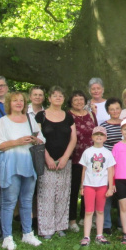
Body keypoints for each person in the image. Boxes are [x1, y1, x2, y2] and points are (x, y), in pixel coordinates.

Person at [0, 90, 42, 250]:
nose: (19, 103)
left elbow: (41, 139)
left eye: (21, 100)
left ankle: (27, 233)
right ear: (9, 103)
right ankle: (7, 237)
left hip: (28, 163)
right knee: (9, 201)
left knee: (27, 200)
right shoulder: (3, 121)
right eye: (15, 100)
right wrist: (17, 142)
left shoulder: (30, 119)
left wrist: (35, 139)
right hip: (11, 165)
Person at [35, 86, 77, 239]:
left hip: (65, 161)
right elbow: (37, 139)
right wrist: (48, 158)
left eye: (61, 96)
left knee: (63, 194)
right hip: (47, 161)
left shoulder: (68, 116)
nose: (58, 98)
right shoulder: (41, 116)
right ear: (49, 98)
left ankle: (60, 227)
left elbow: (73, 139)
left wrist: (65, 157)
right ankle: (46, 228)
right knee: (46, 194)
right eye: (55, 95)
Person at [78, 126, 116, 245]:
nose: (99, 137)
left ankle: (99, 235)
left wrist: (110, 187)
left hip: (102, 186)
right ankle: (86, 236)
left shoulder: (108, 153)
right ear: (92, 137)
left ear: (105, 138)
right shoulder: (87, 152)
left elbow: (111, 171)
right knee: (89, 211)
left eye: (101, 135)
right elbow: (84, 170)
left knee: (100, 211)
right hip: (89, 185)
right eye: (96, 135)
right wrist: (81, 186)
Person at [68, 90, 97, 233]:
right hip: (75, 157)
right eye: (75, 99)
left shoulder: (91, 114)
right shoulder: (68, 115)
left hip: (91, 159)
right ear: (71, 102)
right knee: (73, 189)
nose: (79, 102)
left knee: (89, 188)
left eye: (81, 99)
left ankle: (85, 217)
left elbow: (97, 133)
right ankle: (71, 219)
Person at [101, 98, 124, 233]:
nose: (115, 111)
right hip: (107, 164)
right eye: (112, 109)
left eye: (117, 108)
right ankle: (106, 225)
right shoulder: (103, 126)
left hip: (123, 164)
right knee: (107, 194)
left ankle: (122, 223)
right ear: (108, 111)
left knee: (122, 194)